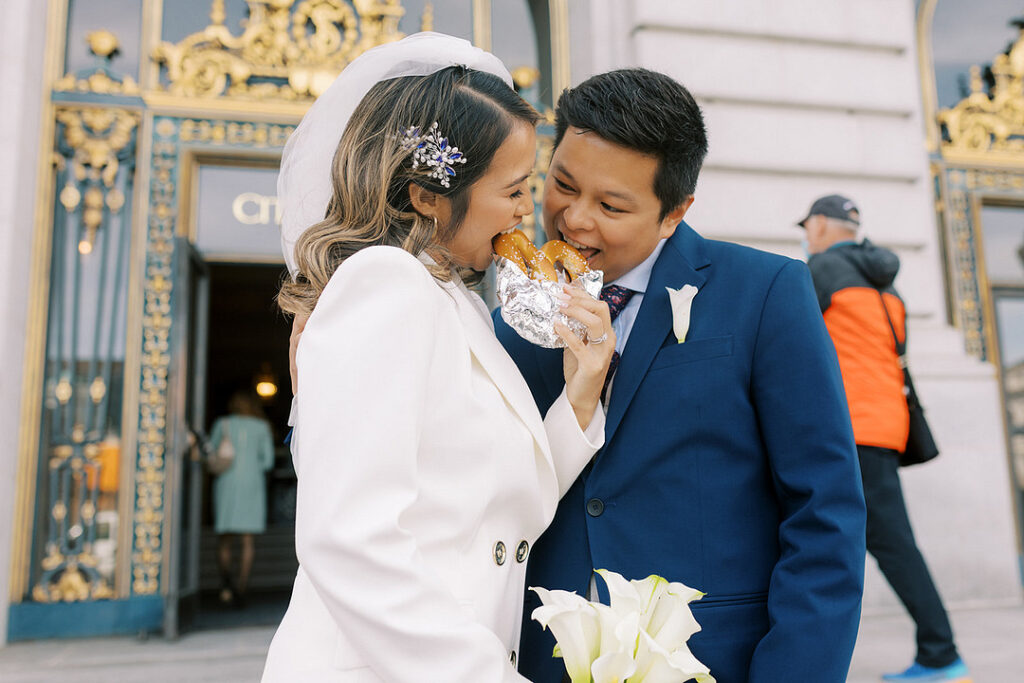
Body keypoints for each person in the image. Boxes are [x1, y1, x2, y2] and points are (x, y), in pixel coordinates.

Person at [493, 69, 868, 682]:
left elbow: (824, 511)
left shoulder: (766, 293)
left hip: (712, 660)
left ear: (675, 213)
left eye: (611, 205)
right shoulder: (506, 322)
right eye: (561, 184)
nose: (574, 219)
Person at [262, 33, 614, 682]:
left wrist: (585, 386)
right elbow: (348, 537)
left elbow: (500, 505)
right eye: (514, 188)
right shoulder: (384, 286)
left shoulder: (458, 302)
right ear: (427, 196)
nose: (526, 210)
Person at [799, 194, 970, 682]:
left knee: (889, 543)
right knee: (875, 539)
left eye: (809, 225)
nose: (807, 236)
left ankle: (942, 654)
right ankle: (938, 652)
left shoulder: (821, 271)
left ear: (824, 225)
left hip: (850, 426)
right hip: (885, 424)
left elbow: (794, 344)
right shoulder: (885, 282)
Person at [208, 389, 275, 607]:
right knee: (248, 541)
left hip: (227, 483)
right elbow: (268, 462)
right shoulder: (262, 427)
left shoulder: (223, 424)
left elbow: (211, 453)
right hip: (252, 483)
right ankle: (242, 587)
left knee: (225, 539)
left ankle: (226, 584)